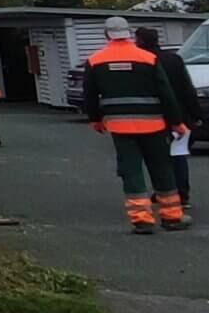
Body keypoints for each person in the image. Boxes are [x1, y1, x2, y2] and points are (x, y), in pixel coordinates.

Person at [80, 15, 188, 233]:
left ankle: (142, 220)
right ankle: (172, 217)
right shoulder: (148, 58)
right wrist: (176, 122)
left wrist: (95, 119)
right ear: (128, 33)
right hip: (154, 124)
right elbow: (166, 93)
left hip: (120, 126)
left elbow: (90, 94)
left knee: (131, 170)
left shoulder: (95, 61)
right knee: (162, 168)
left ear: (106, 34)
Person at [137, 25, 203, 212]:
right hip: (180, 115)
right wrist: (196, 114)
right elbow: (187, 88)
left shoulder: (141, 60)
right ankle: (182, 194)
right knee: (178, 154)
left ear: (139, 41)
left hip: (152, 116)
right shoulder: (174, 59)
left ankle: (163, 190)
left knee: (156, 157)